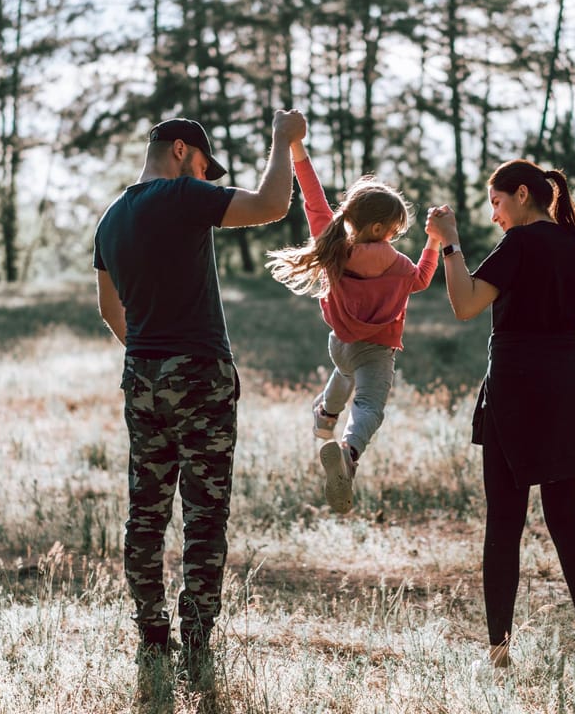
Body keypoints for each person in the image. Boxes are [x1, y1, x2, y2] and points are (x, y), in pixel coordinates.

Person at [93, 111, 307, 670]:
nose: (208, 181)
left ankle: (151, 633)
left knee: (145, 513)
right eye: (206, 168)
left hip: (141, 375)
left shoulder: (110, 219)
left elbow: (109, 310)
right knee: (204, 515)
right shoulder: (182, 195)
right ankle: (196, 640)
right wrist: (283, 139)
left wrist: (151, 352)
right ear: (182, 151)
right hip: (199, 375)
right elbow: (272, 205)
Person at [424, 159, 575, 671]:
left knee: (504, 523)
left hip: (515, 395)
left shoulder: (519, 244)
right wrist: (561, 381)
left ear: (522, 194)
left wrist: (450, 244)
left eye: (497, 203)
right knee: (567, 519)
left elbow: (465, 304)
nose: (495, 215)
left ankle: (499, 654)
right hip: (569, 393)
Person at [265, 139, 438, 514]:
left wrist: (297, 148)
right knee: (369, 407)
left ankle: (326, 414)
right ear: (379, 227)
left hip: (340, 345)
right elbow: (423, 279)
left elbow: (313, 200)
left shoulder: (334, 248)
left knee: (345, 372)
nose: (394, 235)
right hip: (375, 351)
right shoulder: (400, 265)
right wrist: (434, 242)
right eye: (393, 229)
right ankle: (349, 451)